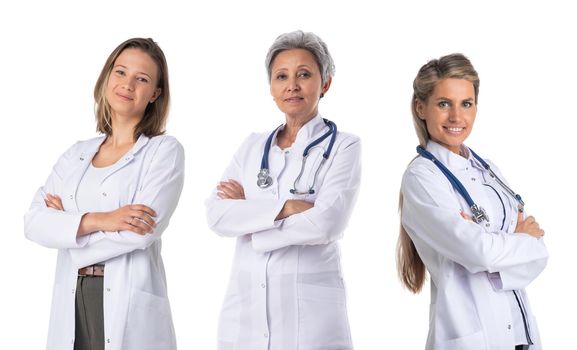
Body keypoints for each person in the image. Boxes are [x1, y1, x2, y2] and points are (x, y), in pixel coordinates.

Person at [24, 38, 184, 350]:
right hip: (73, 295)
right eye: (121, 72)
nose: (128, 84)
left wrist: (68, 229)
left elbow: (140, 233)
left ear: (155, 93)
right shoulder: (76, 155)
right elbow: (33, 222)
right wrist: (104, 219)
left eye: (142, 79)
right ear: (107, 77)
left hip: (126, 298)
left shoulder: (163, 152)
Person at [206, 30, 360, 349]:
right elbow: (217, 216)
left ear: (325, 83)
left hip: (312, 321)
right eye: (281, 76)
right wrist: (289, 207)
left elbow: (328, 223)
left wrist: (251, 221)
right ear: (271, 87)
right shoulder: (252, 146)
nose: (292, 85)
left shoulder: (345, 146)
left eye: (304, 74)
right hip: (245, 315)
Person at [397, 53, 548, 350]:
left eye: (466, 103)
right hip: (472, 335)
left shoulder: (487, 168)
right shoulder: (421, 177)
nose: (457, 117)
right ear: (421, 108)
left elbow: (538, 255)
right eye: (444, 104)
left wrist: (498, 250)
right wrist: (515, 242)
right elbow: (478, 252)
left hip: (520, 333)